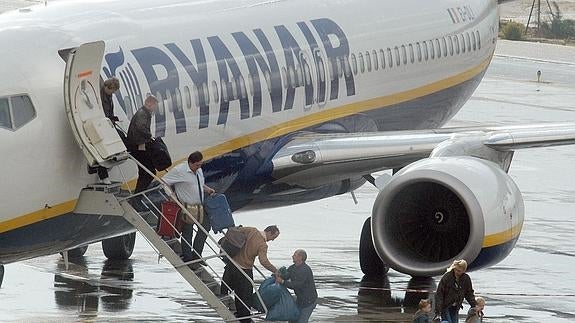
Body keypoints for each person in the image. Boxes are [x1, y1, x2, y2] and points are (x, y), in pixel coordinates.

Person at [162, 151, 215, 266]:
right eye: (196, 165)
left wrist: (207, 189)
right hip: (187, 206)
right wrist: (172, 195)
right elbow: (164, 181)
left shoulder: (199, 170)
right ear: (190, 163)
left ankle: (197, 254)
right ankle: (187, 257)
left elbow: (198, 184)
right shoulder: (180, 170)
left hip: (199, 206)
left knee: (205, 227)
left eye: (200, 165)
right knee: (188, 231)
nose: (198, 168)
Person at [221, 225, 280, 323]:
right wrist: (275, 270)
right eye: (273, 237)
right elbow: (264, 261)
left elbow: (237, 230)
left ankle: (238, 311)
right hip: (244, 268)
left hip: (233, 263)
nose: (272, 240)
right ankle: (244, 317)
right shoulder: (263, 245)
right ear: (269, 232)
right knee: (245, 295)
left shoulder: (251, 230)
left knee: (237, 292)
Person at [275, 249, 318, 323]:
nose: (292, 256)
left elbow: (296, 285)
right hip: (299, 299)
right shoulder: (293, 267)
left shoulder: (305, 270)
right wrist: (279, 275)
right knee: (292, 320)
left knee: (301, 321)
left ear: (300, 257)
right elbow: (286, 275)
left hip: (309, 302)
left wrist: (282, 281)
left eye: (294, 255)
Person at [127, 95, 158, 193]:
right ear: (149, 104)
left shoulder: (143, 113)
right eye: (154, 106)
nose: (155, 108)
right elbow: (141, 127)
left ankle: (138, 195)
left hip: (137, 145)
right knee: (149, 172)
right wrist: (150, 136)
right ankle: (138, 195)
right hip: (138, 146)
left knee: (144, 171)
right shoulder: (143, 114)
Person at [95, 77, 121, 183]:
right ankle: (103, 175)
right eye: (112, 90)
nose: (112, 93)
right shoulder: (100, 97)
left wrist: (112, 118)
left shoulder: (108, 95)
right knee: (103, 150)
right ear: (107, 87)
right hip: (101, 127)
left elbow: (109, 111)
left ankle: (106, 169)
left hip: (107, 124)